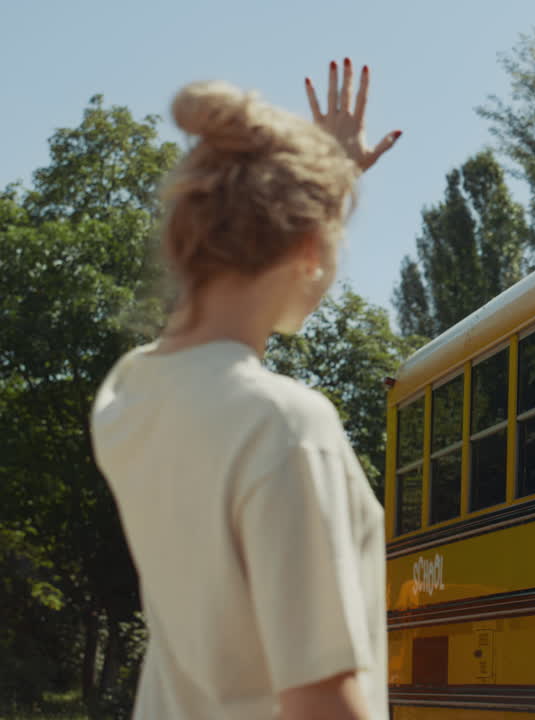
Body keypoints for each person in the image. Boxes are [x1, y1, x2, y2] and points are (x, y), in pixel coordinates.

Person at [90, 59, 400, 720]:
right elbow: (322, 703)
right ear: (311, 251)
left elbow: (217, 341)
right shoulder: (285, 427)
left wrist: (324, 182)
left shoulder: (127, 396)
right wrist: (325, 187)